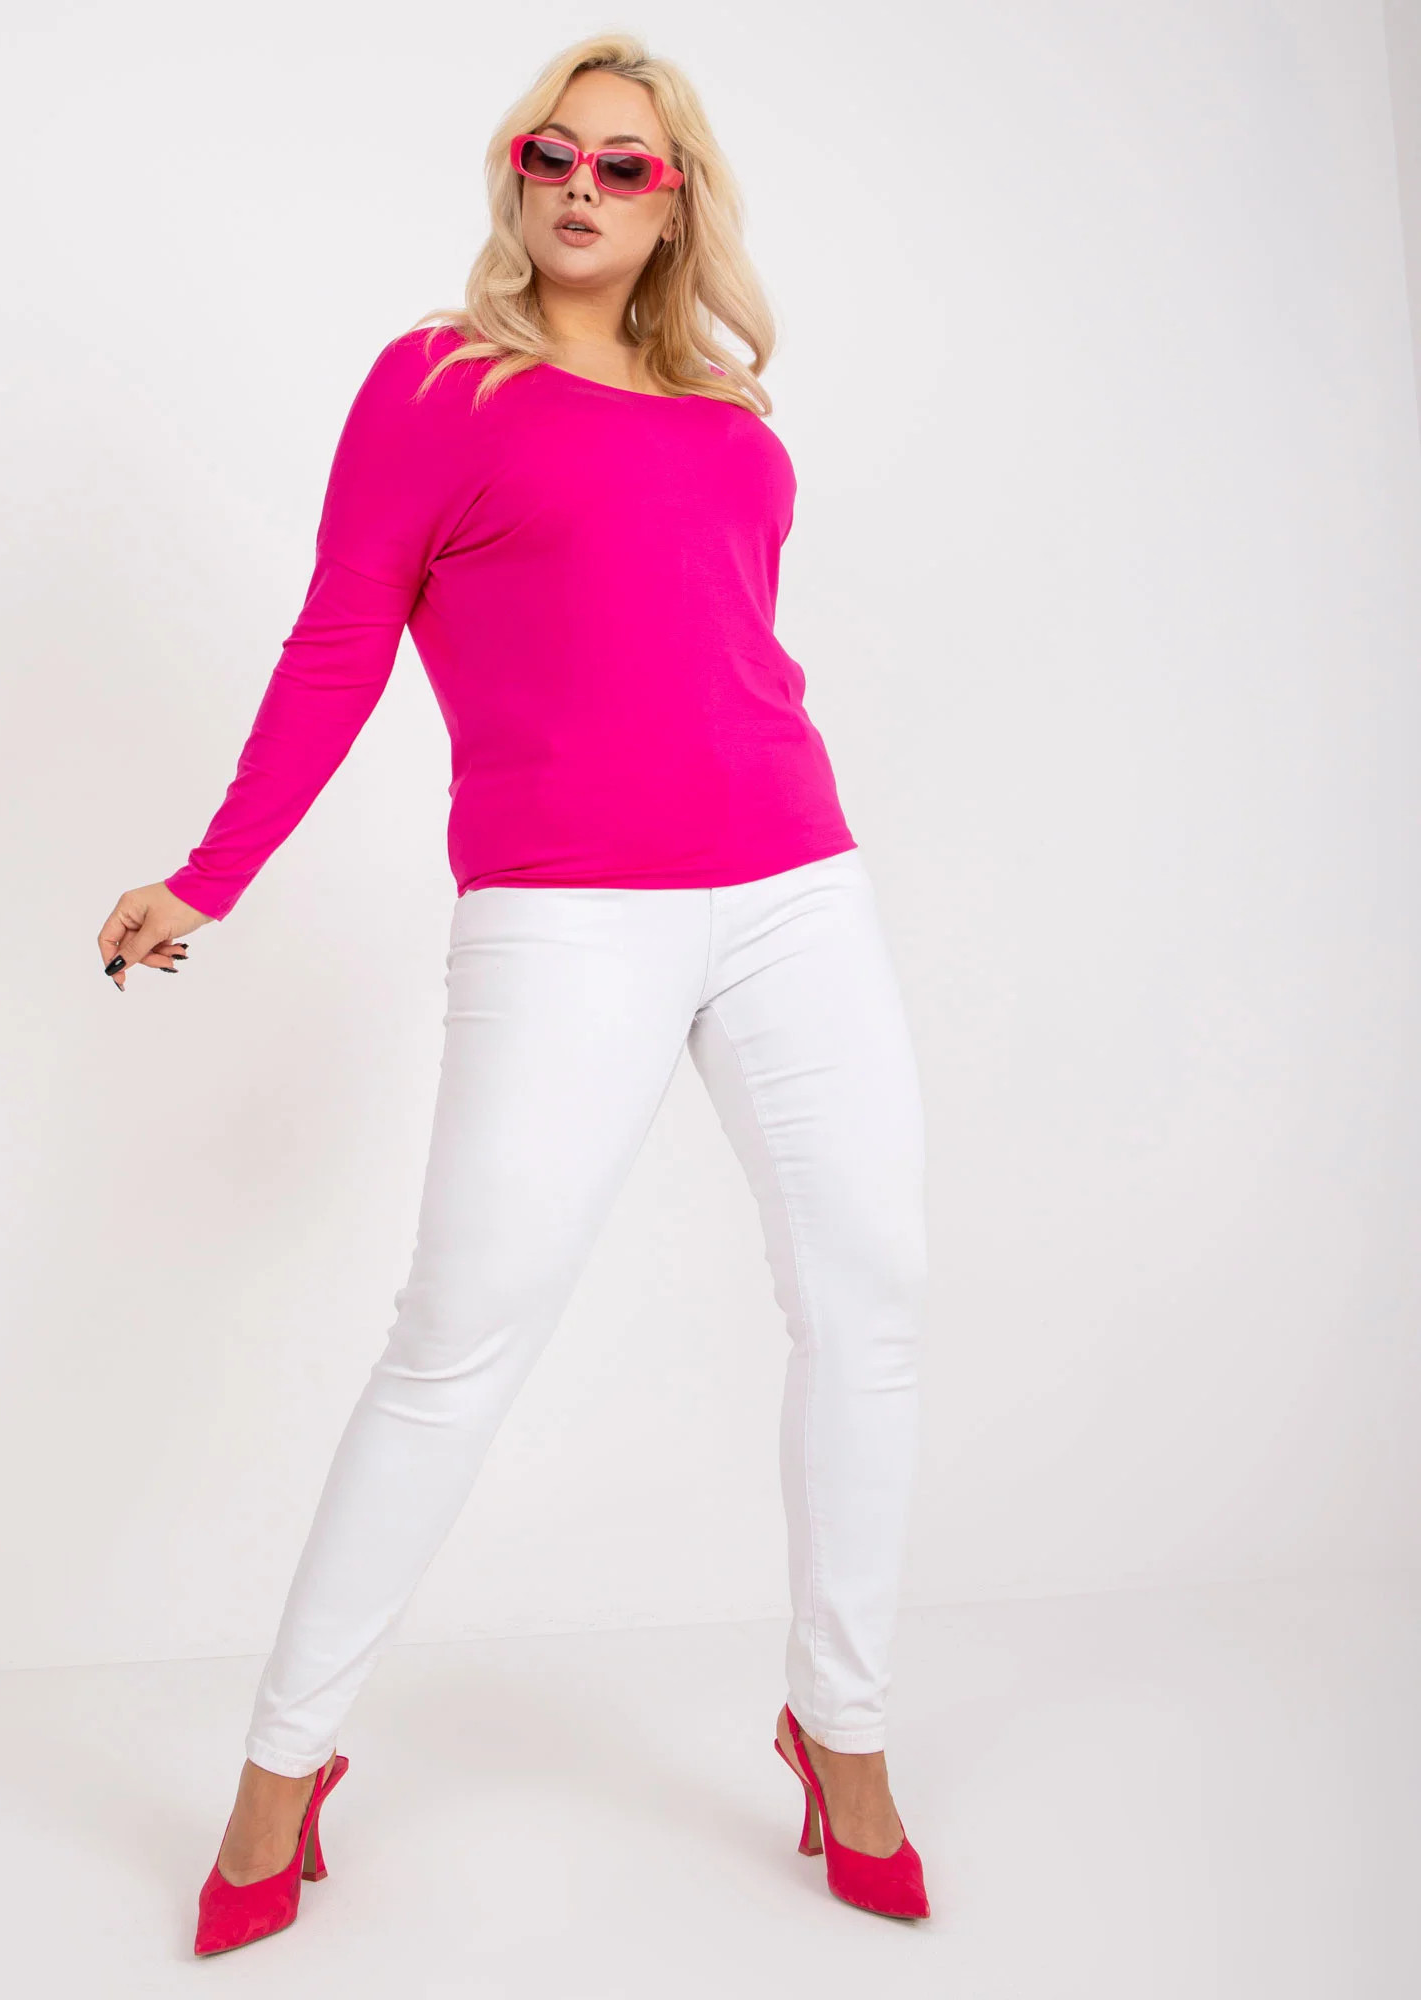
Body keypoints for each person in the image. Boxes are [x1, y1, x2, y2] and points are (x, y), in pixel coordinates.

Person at [97, 33, 933, 1952]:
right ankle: (284, 1767)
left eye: (624, 163)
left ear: (676, 200)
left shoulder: (735, 423)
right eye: (553, 151)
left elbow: (720, 661)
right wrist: (211, 875)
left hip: (798, 894)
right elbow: (339, 644)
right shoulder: (438, 383)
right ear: (515, 171)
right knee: (456, 1337)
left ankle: (843, 1727)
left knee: (868, 1300)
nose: (579, 183)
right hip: (568, 915)